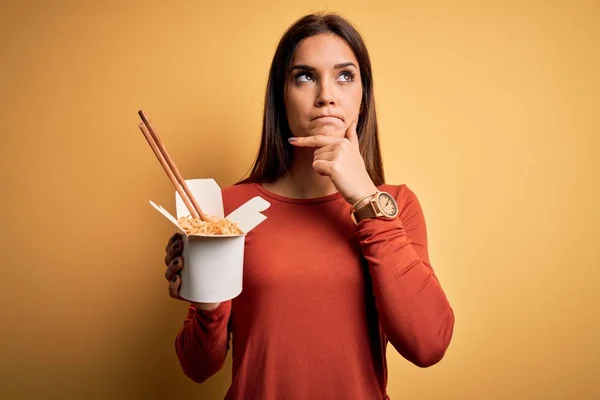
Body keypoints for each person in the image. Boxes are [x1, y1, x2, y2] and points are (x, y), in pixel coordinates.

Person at [163, 12, 455, 400]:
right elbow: (198, 368)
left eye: (344, 76)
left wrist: (367, 200)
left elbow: (428, 345)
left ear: (363, 96)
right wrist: (208, 304)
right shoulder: (226, 210)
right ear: (281, 97)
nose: (326, 95)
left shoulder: (394, 205)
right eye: (304, 76)